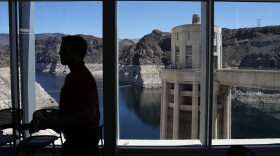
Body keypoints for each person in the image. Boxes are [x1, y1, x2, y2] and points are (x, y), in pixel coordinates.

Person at [44, 35, 100, 156]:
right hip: (79, 139)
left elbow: (89, 115)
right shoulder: (75, 75)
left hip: (81, 142)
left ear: (76, 52)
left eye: (64, 49)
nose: (59, 53)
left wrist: (59, 122)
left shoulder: (82, 78)